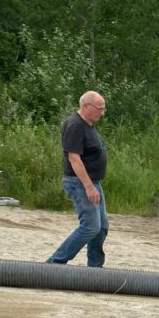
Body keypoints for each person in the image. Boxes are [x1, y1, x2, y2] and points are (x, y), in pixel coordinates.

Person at [46, 91, 109, 267]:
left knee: (101, 227)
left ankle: (95, 267)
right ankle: (55, 263)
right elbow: (74, 158)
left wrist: (93, 185)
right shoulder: (75, 125)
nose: (102, 113)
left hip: (93, 182)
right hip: (79, 183)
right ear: (85, 106)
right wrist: (89, 187)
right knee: (90, 226)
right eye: (99, 109)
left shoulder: (88, 125)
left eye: (104, 109)